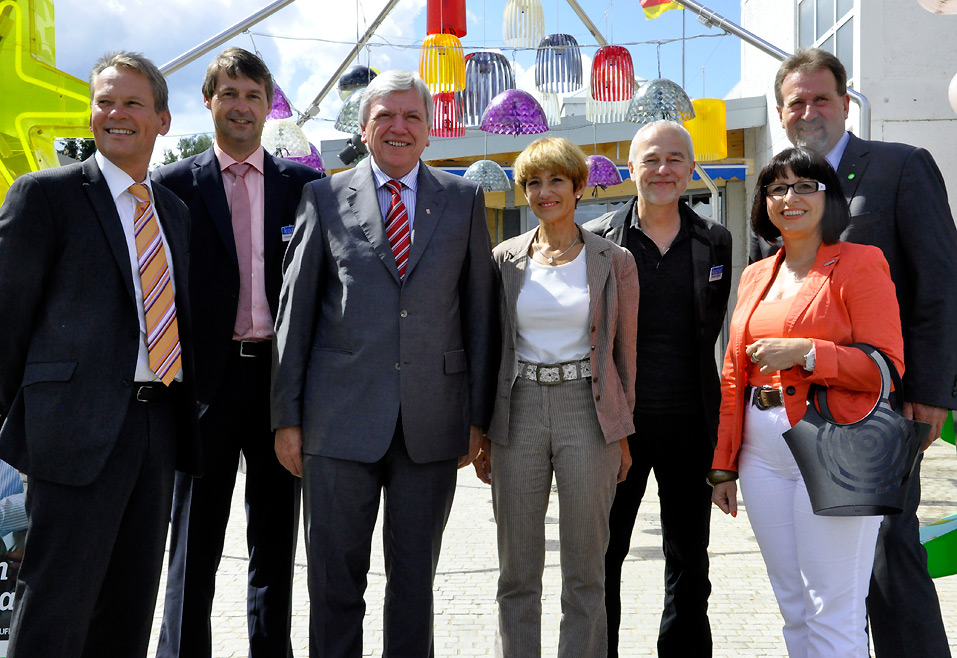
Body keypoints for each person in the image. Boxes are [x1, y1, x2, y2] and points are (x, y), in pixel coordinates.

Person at [270, 69, 497, 658]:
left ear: (429, 130)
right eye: (385, 117)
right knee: (333, 584)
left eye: (412, 117)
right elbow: (294, 317)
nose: (399, 127)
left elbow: (479, 316)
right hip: (337, 424)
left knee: (414, 584)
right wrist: (286, 419)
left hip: (433, 423)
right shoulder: (323, 196)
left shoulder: (464, 200)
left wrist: (478, 419)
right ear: (365, 129)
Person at [752, 48, 957, 657]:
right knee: (828, 574)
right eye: (796, 102)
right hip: (794, 411)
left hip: (881, 406)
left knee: (890, 552)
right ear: (781, 112)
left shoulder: (901, 166)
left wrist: (931, 394)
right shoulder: (780, 187)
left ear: (845, 103)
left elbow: (939, 286)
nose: (808, 111)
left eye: (821, 99)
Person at [0, 51, 201, 657]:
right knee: (55, 608)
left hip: (155, 429)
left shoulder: (174, 212)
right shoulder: (44, 196)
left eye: (133, 103)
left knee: (129, 609)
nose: (116, 114)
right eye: (105, 102)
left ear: (162, 119)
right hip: (72, 435)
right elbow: (5, 325)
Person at [152, 47, 323, 658]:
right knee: (192, 545)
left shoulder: (306, 189)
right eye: (230, 94)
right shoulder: (171, 186)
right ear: (208, 102)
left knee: (275, 546)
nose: (242, 107)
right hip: (203, 390)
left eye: (254, 95)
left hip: (278, 387)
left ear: (268, 104)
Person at [711, 147, 904, 657]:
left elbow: (886, 369)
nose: (789, 197)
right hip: (761, 452)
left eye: (804, 186)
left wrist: (809, 352)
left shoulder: (861, 262)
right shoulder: (755, 274)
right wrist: (723, 467)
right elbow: (734, 374)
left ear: (829, 197)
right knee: (792, 604)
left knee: (833, 608)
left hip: (835, 447)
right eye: (777, 188)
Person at [472, 136, 637, 658]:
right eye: (534, 183)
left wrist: (622, 431)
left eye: (556, 180)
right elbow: (488, 348)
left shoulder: (614, 260)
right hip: (518, 410)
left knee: (586, 569)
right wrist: (484, 431)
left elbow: (625, 355)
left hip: (587, 412)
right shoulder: (503, 260)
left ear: (579, 186)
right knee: (517, 568)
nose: (545, 192)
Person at [584, 120, 731, 657]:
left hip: (691, 424)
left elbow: (709, 331)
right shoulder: (598, 239)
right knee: (602, 558)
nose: (663, 169)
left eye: (675, 158)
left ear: (692, 168)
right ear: (631, 168)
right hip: (615, 426)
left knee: (690, 562)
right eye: (651, 158)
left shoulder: (716, 240)